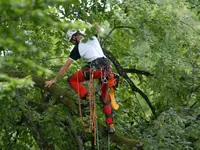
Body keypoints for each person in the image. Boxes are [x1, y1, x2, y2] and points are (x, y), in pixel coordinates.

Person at [45, 27, 117, 134]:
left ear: (74, 37)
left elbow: (65, 66)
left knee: (72, 80)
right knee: (105, 99)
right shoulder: (91, 36)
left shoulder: (78, 48)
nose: (73, 43)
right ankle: (110, 126)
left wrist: (55, 79)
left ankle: (88, 96)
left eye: (72, 41)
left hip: (94, 70)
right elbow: (98, 29)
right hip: (107, 72)